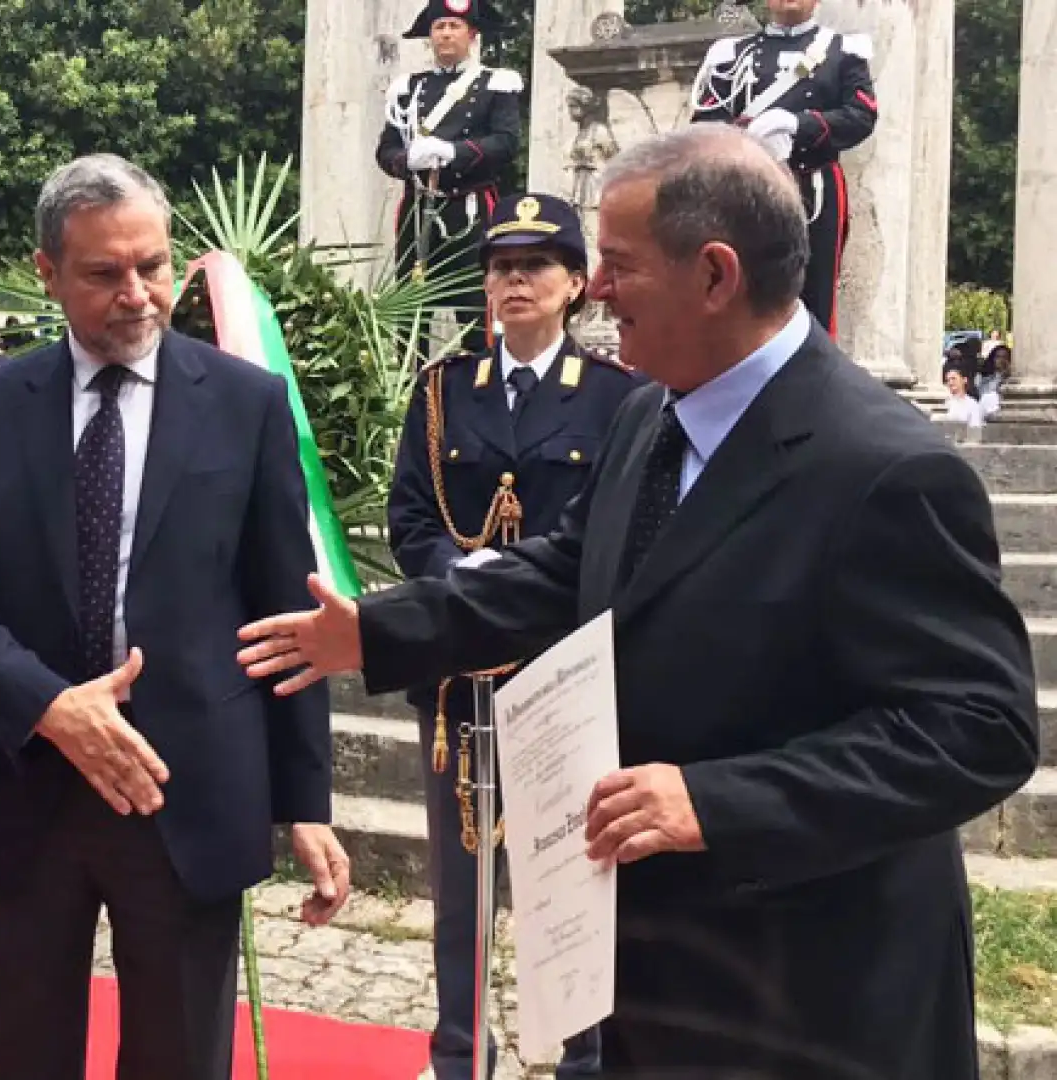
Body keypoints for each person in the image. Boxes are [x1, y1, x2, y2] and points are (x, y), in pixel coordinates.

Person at [236, 126, 1037, 1080]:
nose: (598, 291)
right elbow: (570, 572)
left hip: (817, 993)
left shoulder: (886, 469)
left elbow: (976, 730)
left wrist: (716, 801)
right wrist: (374, 631)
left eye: (617, 265)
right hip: (657, 974)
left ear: (714, 275)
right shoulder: (650, 414)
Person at [0, 156, 352, 1079]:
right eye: (105, 274)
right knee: (25, 1052)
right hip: (29, 788)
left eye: (152, 265)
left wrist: (304, 801)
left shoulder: (244, 405)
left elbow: (286, 611)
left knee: (179, 1056)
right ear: (46, 271)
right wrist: (50, 706)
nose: (137, 293)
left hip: (184, 789)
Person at [388, 192, 640, 1080]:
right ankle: (460, 1053)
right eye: (500, 268)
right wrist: (461, 577)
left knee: (572, 873)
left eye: (535, 267)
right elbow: (410, 517)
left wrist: (527, 584)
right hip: (459, 670)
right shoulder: (444, 391)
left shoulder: (620, 398)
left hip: (561, 670)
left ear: (576, 284)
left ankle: (583, 1055)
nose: (514, 282)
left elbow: (620, 531)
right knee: (461, 887)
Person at [690, 0, 877, 337]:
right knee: (741, 285)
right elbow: (704, 124)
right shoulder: (733, 54)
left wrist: (798, 125)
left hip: (813, 187)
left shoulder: (842, 51)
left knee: (814, 292)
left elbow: (861, 116)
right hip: (745, 189)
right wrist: (746, 142)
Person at [376, 0, 522, 347]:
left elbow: (506, 142)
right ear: (429, 35)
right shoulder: (408, 90)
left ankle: (482, 388)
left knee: (476, 310)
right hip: (418, 210)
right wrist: (407, 160)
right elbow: (386, 150)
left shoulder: (494, 85)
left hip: (469, 211)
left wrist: (454, 152)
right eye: (439, 27)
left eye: (454, 26)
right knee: (411, 313)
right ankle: (413, 392)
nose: (445, 34)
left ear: (472, 34)